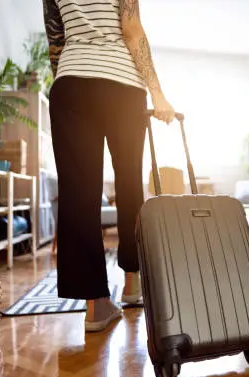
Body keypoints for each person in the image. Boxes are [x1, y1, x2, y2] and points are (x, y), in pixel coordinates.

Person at [42, 0, 175, 332]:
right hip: (122, 84)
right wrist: (157, 92)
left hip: (71, 83)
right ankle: (132, 284)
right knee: (130, 183)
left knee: (78, 191)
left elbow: (55, 39)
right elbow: (131, 28)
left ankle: (95, 306)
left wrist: (71, 81)